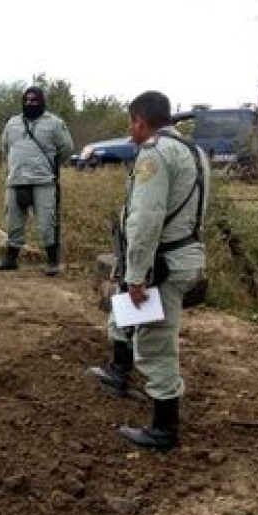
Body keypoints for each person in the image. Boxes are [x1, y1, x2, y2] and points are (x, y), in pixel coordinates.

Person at [87, 91, 209, 452]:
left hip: (161, 262)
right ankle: (118, 370)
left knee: (156, 342)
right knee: (125, 312)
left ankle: (163, 430)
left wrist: (138, 274)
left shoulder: (154, 154)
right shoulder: (195, 151)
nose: (130, 129)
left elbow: (146, 218)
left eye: (131, 122)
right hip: (177, 253)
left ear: (140, 121)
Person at [0, 86, 74, 275]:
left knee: (47, 222)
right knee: (13, 222)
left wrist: (49, 166)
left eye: (34, 100)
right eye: (27, 100)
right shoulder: (12, 123)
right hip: (16, 180)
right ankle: (10, 260)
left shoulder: (54, 123)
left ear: (42, 101)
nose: (30, 103)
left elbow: (66, 148)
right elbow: (4, 147)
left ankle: (53, 262)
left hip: (44, 181)